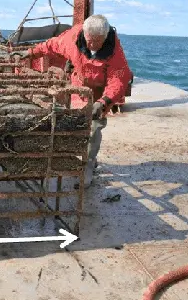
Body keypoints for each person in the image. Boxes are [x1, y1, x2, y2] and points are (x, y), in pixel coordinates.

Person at [21, 14, 133, 187]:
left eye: (97, 41)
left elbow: (118, 79)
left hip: (99, 91)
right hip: (79, 84)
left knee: (93, 128)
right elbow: (51, 45)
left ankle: (87, 166)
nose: (92, 45)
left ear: (105, 37)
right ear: (84, 34)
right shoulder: (72, 38)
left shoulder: (114, 50)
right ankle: (78, 157)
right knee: (74, 124)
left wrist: (104, 101)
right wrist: (29, 53)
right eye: (89, 41)